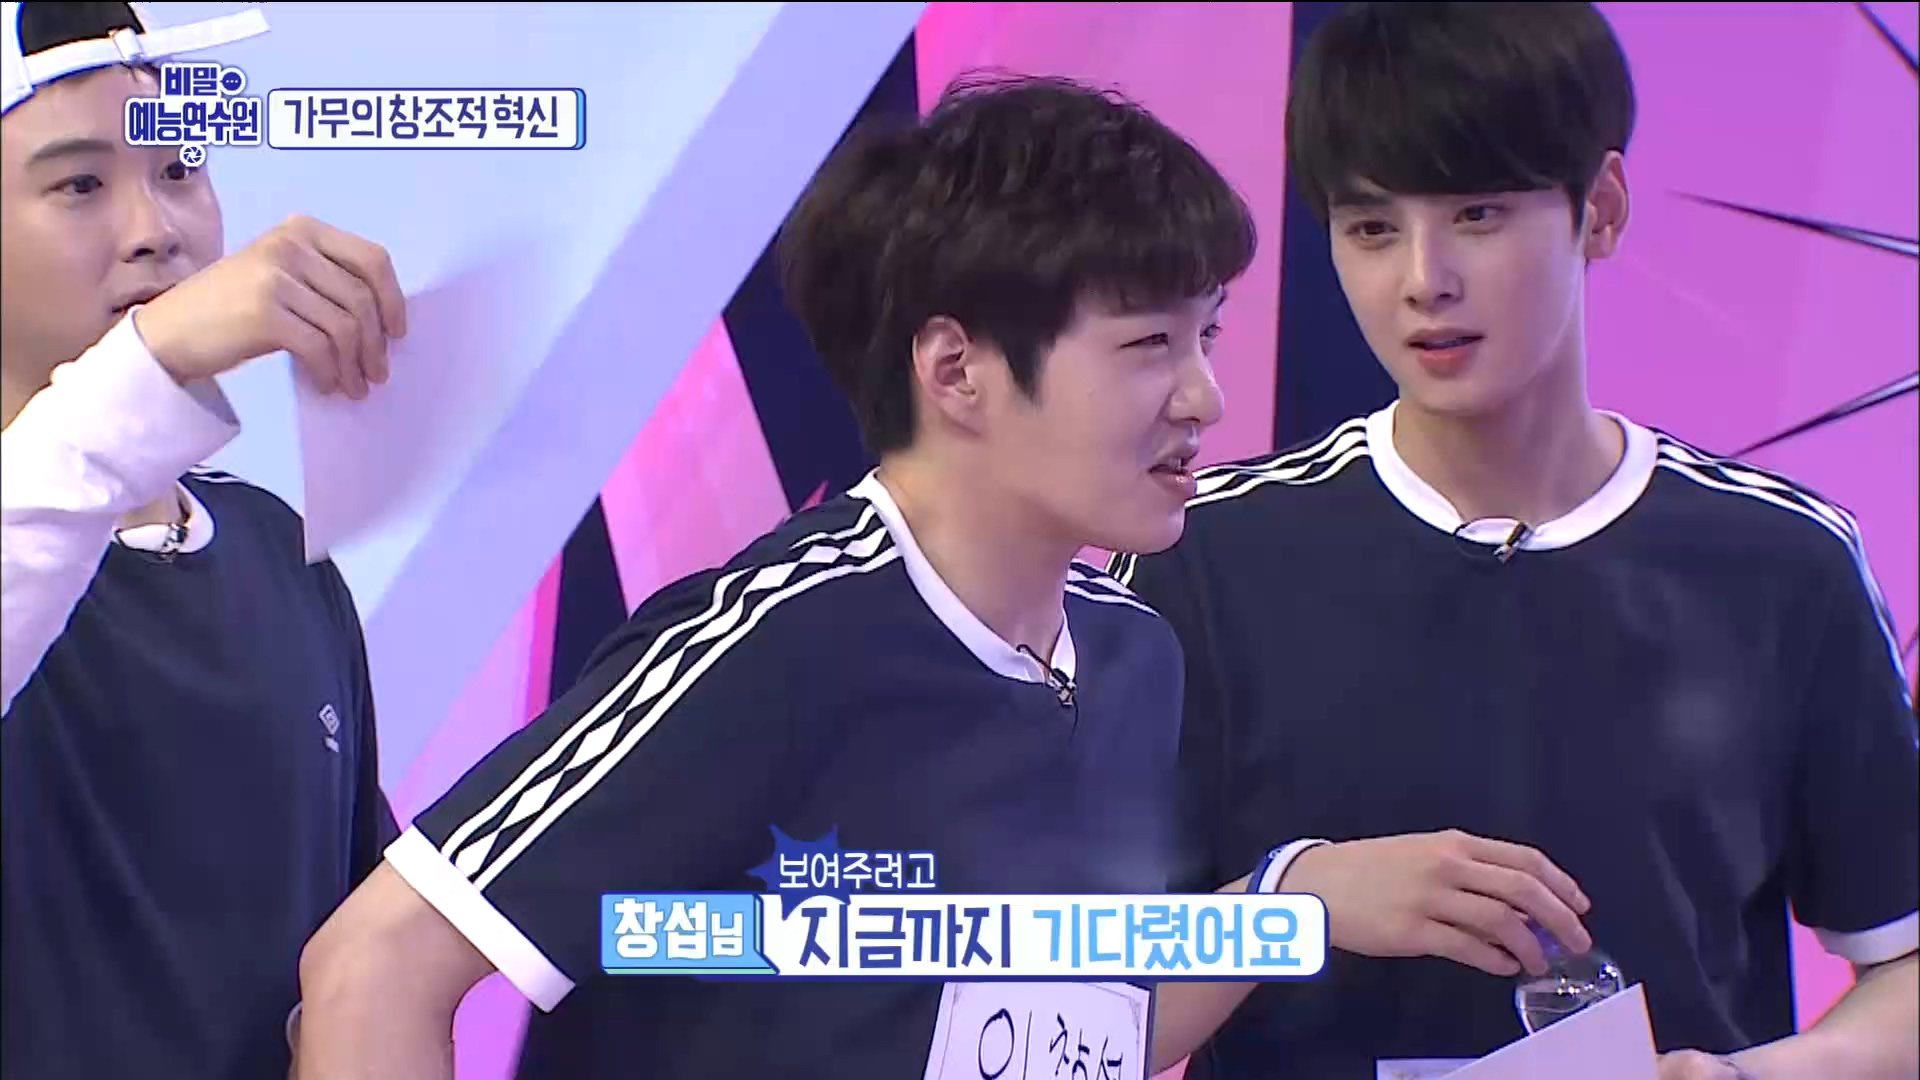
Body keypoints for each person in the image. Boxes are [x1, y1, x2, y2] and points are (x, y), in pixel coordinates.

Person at [292, 72, 1255, 1079]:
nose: (1204, 397)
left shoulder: (1134, 654)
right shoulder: (781, 643)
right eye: (1149, 344)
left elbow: (1071, 1033)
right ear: (955, 370)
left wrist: (1286, 906)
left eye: (1208, 334)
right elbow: (376, 964)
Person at [1114, 4, 1919, 1078]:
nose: (1423, 279)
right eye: (1372, 228)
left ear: (1601, 209)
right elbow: (1072, 1002)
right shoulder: (1203, 557)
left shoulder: (1785, 562)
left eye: (1478, 214)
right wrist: (1292, 902)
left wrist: (1753, 1076)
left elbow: (1904, 962)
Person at [0, 3, 409, 1077]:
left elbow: (361, 963)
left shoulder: (279, 550)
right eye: (79, 185)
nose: (154, 229)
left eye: (180, 168)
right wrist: (155, 353)